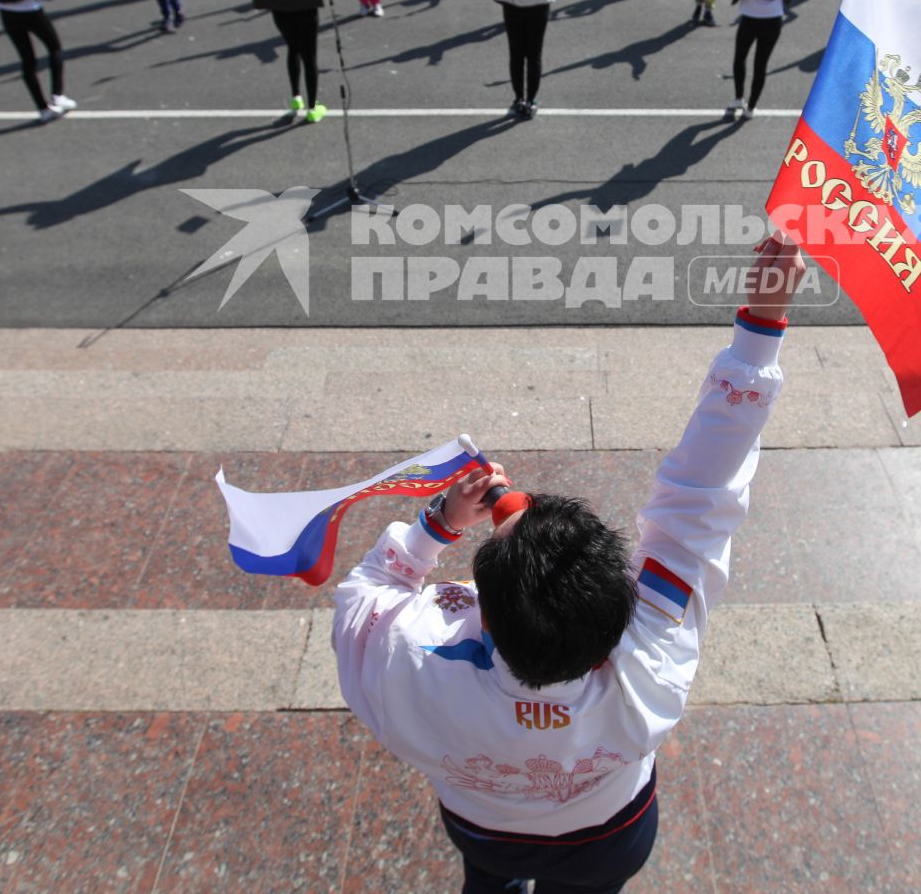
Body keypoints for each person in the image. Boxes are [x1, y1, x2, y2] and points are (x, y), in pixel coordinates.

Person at [333, 236, 800, 894]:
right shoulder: (650, 658)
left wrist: (434, 526)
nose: (507, 505)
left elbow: (362, 598)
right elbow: (705, 490)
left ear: (484, 617)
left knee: (488, 881)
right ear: (619, 599)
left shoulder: (413, 661)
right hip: (608, 835)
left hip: (482, 826)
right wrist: (760, 333)